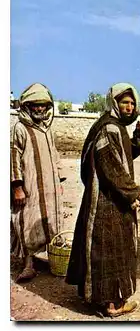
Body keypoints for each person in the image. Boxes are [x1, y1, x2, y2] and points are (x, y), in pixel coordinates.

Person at [65, 83, 140, 317]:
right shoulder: (109, 128)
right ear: (115, 103)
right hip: (107, 202)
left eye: (132, 103)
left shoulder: (114, 126)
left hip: (110, 195)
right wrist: (136, 192)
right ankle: (112, 305)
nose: (129, 106)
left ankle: (99, 298)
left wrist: (138, 137)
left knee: (106, 248)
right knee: (110, 247)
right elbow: (112, 167)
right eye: (124, 102)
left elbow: (122, 157)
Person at [10, 83, 66, 283]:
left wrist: (59, 179)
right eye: (35, 105)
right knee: (26, 220)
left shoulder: (47, 129)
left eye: (43, 104)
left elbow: (55, 155)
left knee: (52, 219)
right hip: (29, 187)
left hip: (50, 186)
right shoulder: (20, 128)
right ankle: (28, 264)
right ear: (27, 106)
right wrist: (17, 187)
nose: (40, 108)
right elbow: (13, 158)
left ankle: (55, 260)